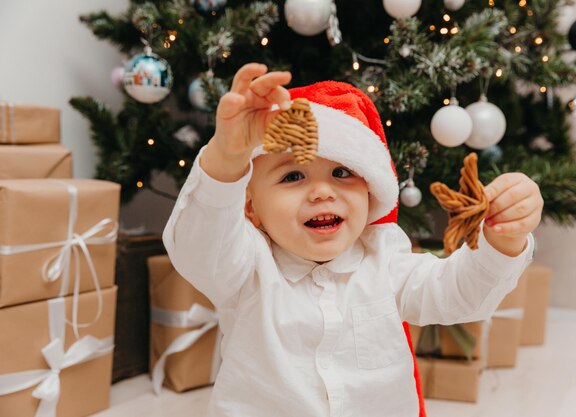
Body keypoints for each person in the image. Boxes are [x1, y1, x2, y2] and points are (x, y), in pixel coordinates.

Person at [163, 63, 543, 417]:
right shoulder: (245, 267)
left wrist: (503, 241)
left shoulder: (386, 259)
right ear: (251, 208)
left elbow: (459, 294)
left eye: (342, 172)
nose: (321, 193)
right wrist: (226, 159)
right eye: (293, 177)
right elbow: (198, 245)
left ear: (370, 191)